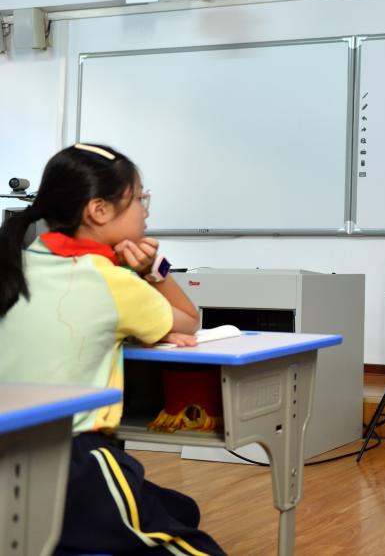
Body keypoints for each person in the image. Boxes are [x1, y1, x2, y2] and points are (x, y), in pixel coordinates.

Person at [0, 143, 226, 556]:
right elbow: (190, 319)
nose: (145, 211)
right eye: (139, 199)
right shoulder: (112, 281)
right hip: (71, 460)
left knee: (181, 509)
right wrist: (152, 270)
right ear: (99, 210)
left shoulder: (14, 265)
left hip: (10, 452)